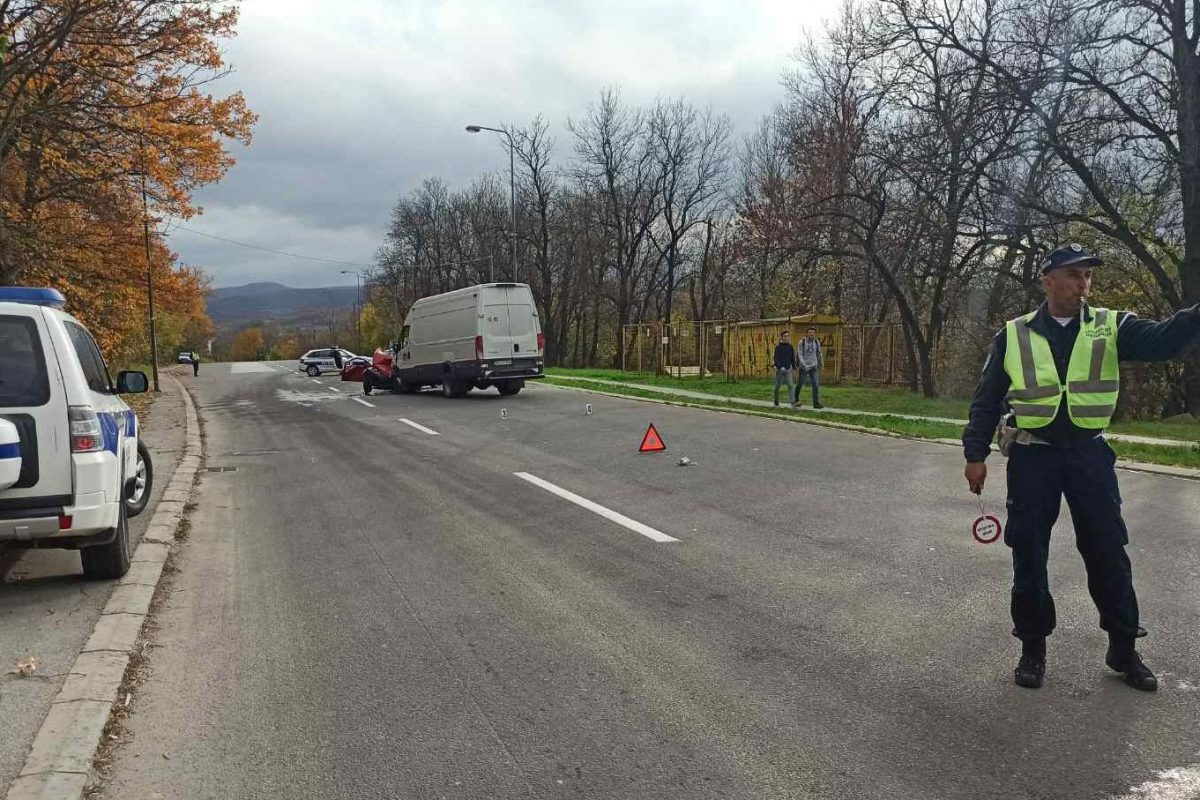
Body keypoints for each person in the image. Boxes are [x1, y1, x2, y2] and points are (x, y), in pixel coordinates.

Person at [962, 243, 1200, 692]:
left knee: (1108, 548)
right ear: (1048, 280)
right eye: (1073, 275)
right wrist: (975, 455)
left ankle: (1124, 646)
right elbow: (986, 399)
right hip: (1034, 456)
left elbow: (1166, 340)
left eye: (1087, 276)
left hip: (1089, 455)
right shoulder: (1013, 335)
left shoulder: (1110, 326)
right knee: (1029, 551)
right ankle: (1033, 646)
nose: (1083, 285)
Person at [794, 327, 824, 408]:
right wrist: (804, 365)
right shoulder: (802, 342)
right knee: (800, 384)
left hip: (813, 366)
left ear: (814, 333)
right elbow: (800, 354)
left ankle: (816, 403)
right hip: (804, 367)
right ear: (807, 333)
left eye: (813, 332)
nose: (811, 334)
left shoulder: (816, 342)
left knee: (815, 384)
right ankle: (795, 399)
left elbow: (819, 353)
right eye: (810, 332)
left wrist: (821, 363)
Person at [772, 330, 797, 407]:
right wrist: (779, 366)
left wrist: (794, 367)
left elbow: (792, 358)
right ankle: (776, 401)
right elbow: (776, 358)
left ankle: (793, 402)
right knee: (778, 386)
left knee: (790, 385)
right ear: (782, 337)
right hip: (780, 369)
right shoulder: (778, 347)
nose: (786, 338)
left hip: (788, 368)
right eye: (785, 336)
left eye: (788, 336)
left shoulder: (790, 347)